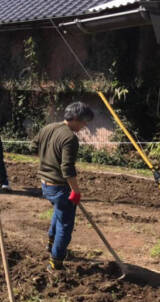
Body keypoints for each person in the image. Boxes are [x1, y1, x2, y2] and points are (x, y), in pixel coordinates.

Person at [31, 102, 94, 273]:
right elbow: (67, 168)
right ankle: (55, 262)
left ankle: (51, 245)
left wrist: (47, 163)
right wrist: (76, 190)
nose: (84, 125)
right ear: (74, 118)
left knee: (59, 214)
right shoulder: (70, 138)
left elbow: (33, 146)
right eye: (83, 121)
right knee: (65, 226)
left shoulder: (48, 127)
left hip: (45, 184)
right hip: (59, 187)